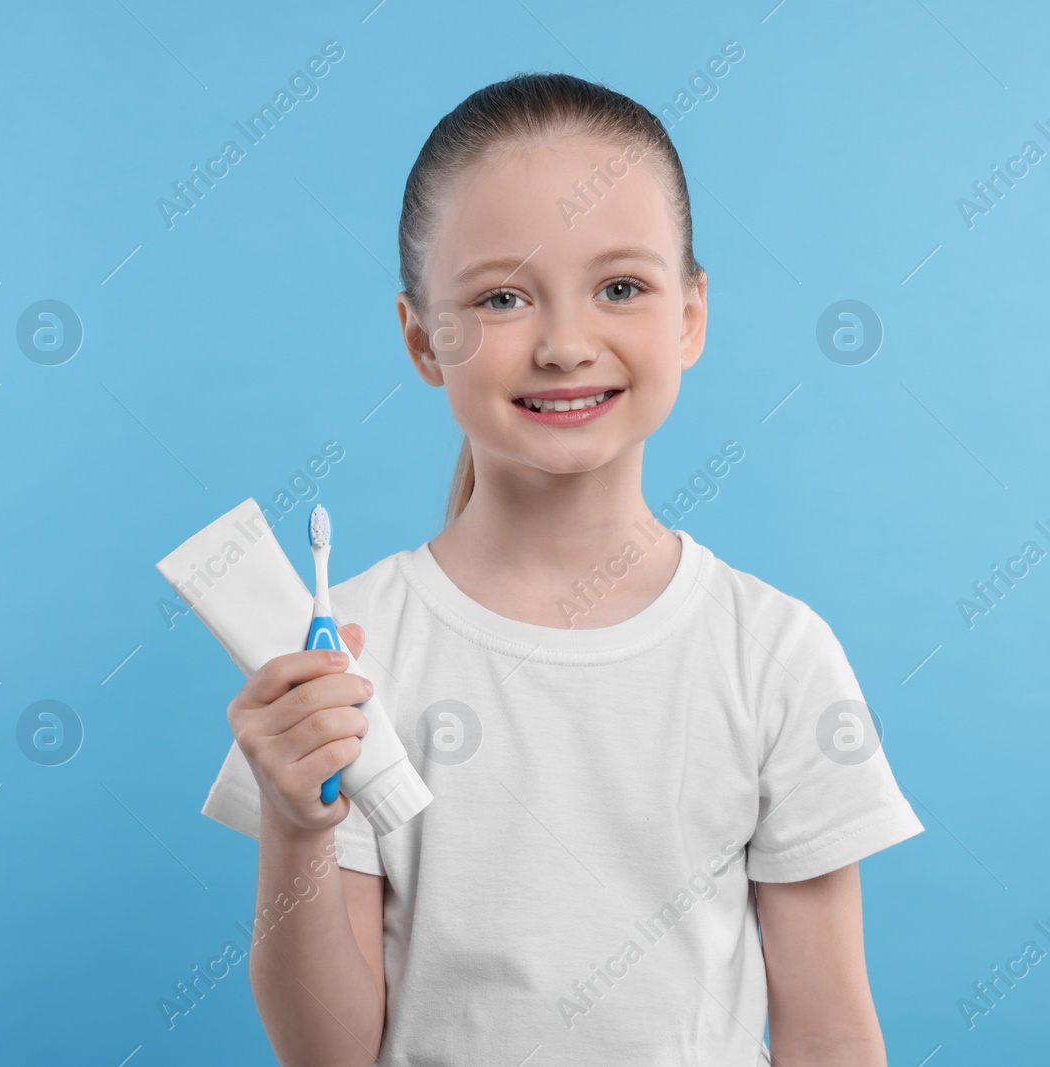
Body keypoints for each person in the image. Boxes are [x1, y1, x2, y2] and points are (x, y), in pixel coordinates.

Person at [200, 71, 924, 1066]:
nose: (566, 343)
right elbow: (326, 1052)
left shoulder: (774, 653)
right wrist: (295, 824)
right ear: (422, 338)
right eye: (501, 297)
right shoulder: (349, 658)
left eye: (620, 287)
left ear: (689, 314)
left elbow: (830, 1028)